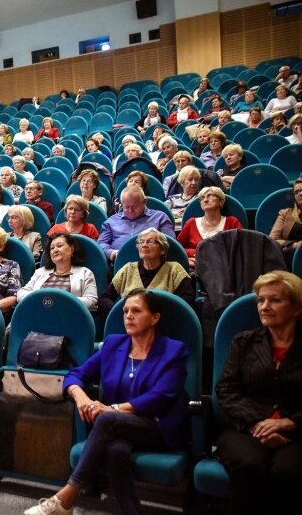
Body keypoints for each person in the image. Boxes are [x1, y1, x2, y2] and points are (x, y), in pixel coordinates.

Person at [25, 289, 189, 515]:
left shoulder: (174, 351)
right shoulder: (114, 345)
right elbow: (75, 375)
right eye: (125, 311)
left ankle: (66, 498)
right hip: (115, 428)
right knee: (115, 450)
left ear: (155, 318)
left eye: (136, 311)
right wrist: (80, 397)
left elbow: (161, 397)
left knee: (108, 420)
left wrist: (110, 409)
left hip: (156, 427)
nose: (128, 316)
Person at [214, 271, 302, 515]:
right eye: (261, 300)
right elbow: (226, 390)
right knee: (249, 465)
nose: (265, 306)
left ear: (296, 308)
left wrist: (289, 422)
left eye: (275, 300)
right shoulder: (244, 342)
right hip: (246, 427)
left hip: (296, 432)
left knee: (288, 471)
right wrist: (258, 422)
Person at [99, 227, 193, 313]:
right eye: (141, 242)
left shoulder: (174, 269)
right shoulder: (128, 269)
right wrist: (124, 312)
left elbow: (187, 300)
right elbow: (104, 298)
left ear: (162, 249)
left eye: (150, 241)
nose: (144, 245)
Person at [18, 233, 98, 309]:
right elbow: (20, 294)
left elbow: (91, 299)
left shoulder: (85, 273)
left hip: (69, 317)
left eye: (59, 246)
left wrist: (59, 301)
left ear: (71, 249)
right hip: (38, 315)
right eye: (52, 248)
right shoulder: (40, 272)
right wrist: (40, 298)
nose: (55, 250)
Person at [98, 186, 175, 263]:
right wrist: (111, 253)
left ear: (144, 202)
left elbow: (170, 242)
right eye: (127, 207)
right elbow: (101, 243)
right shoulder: (112, 221)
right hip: (119, 264)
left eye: (134, 206)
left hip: (152, 263)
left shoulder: (160, 217)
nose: (130, 210)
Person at [178, 186, 243, 268]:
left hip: (226, 268)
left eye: (210, 196)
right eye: (202, 198)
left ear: (221, 201)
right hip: (196, 268)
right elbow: (178, 247)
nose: (205, 200)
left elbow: (242, 248)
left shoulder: (232, 222)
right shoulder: (191, 223)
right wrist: (191, 255)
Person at [270, 178, 302, 268]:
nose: (301, 193)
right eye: (297, 192)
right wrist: (294, 245)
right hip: (293, 254)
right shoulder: (285, 213)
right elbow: (273, 238)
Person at [165, 166, 202, 231]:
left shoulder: (201, 198)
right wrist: (175, 214)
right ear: (182, 182)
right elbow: (163, 213)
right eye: (190, 180)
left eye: (196, 179)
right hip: (173, 231)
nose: (194, 182)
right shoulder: (172, 199)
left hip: (192, 231)